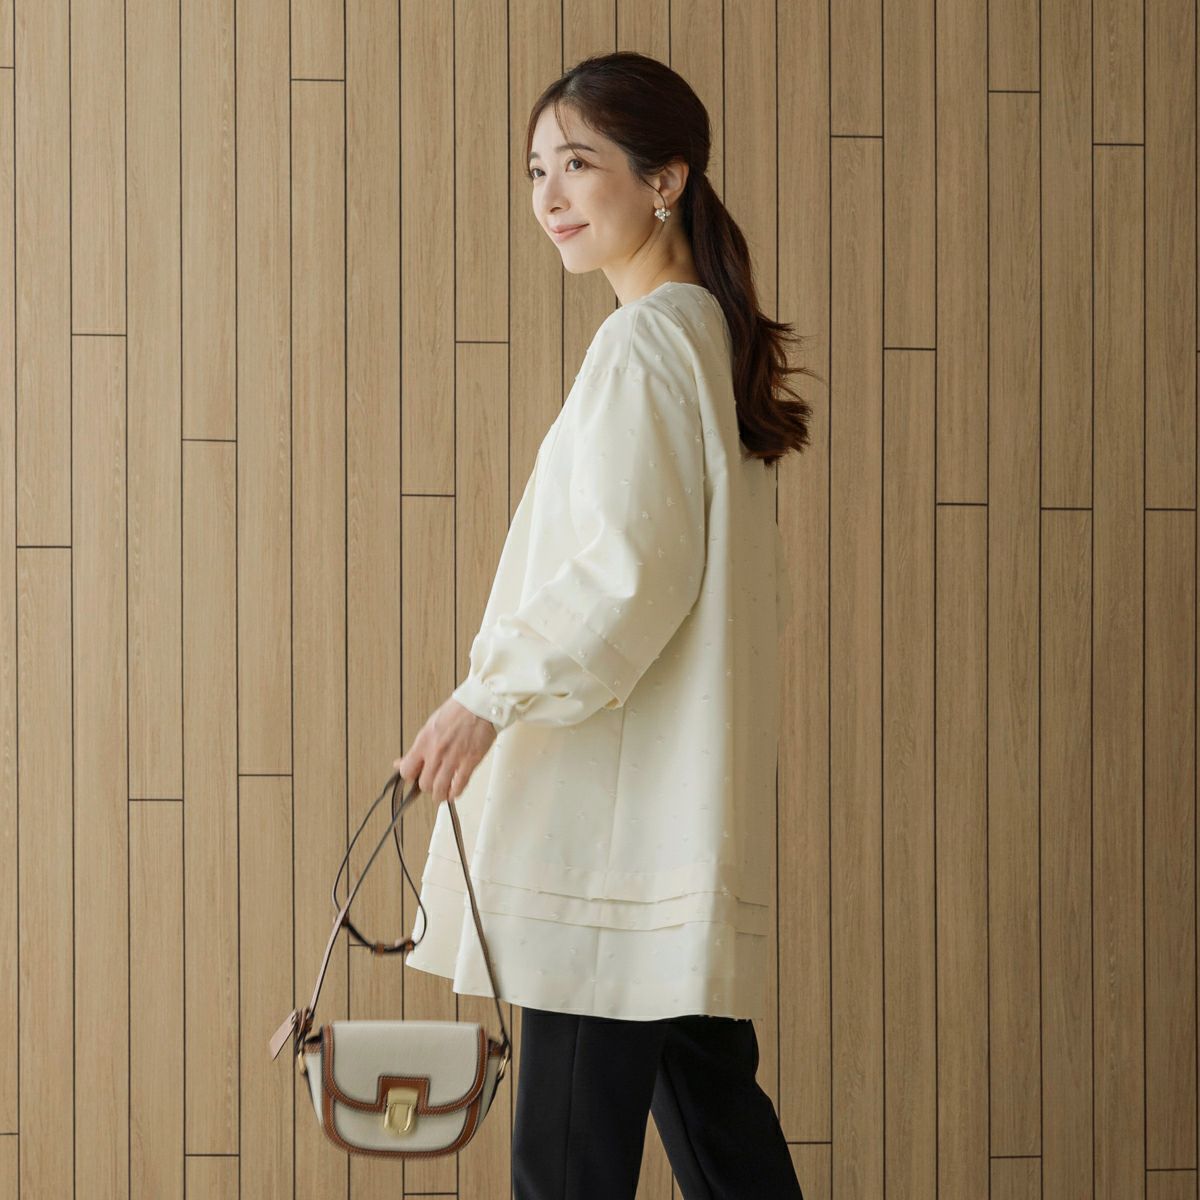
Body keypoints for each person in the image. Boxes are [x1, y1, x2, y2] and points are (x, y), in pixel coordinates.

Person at [394, 49, 818, 1200]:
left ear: (665, 178)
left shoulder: (645, 345)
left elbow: (628, 577)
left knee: (569, 1170)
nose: (552, 196)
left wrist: (486, 699)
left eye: (579, 164)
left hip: (609, 846)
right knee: (723, 1146)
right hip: (664, 837)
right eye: (537, 170)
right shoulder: (701, 337)